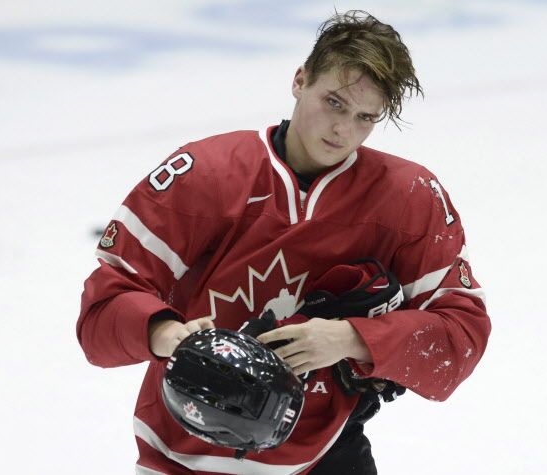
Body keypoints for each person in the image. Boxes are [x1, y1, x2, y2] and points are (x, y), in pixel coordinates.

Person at [77, 10, 491, 475]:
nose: (342, 131)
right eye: (334, 103)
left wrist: (351, 339)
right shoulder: (205, 174)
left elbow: (461, 337)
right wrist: (168, 335)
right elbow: (100, 315)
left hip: (326, 454)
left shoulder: (409, 198)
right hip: (183, 447)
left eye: (364, 117)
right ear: (300, 79)